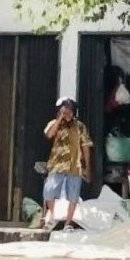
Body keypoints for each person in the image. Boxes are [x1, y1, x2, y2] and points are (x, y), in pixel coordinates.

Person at [43, 97, 92, 230]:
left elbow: (86, 145)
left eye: (70, 111)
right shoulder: (54, 123)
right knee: (49, 191)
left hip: (75, 165)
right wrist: (59, 119)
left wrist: (87, 166)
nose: (68, 114)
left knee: (73, 196)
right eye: (65, 111)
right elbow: (49, 135)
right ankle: (52, 215)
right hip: (57, 164)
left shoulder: (80, 126)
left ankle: (68, 223)